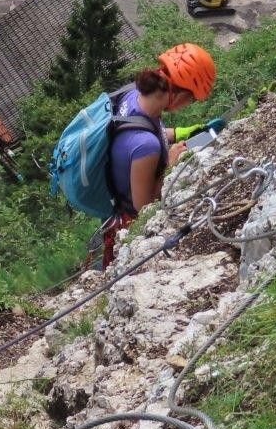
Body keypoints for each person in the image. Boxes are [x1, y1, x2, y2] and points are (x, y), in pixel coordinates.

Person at [89, 43, 223, 270]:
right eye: (192, 100)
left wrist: (184, 132)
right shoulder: (146, 146)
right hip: (128, 223)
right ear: (179, 95)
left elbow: (149, 128)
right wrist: (170, 165)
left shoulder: (133, 96)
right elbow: (144, 208)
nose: (188, 105)